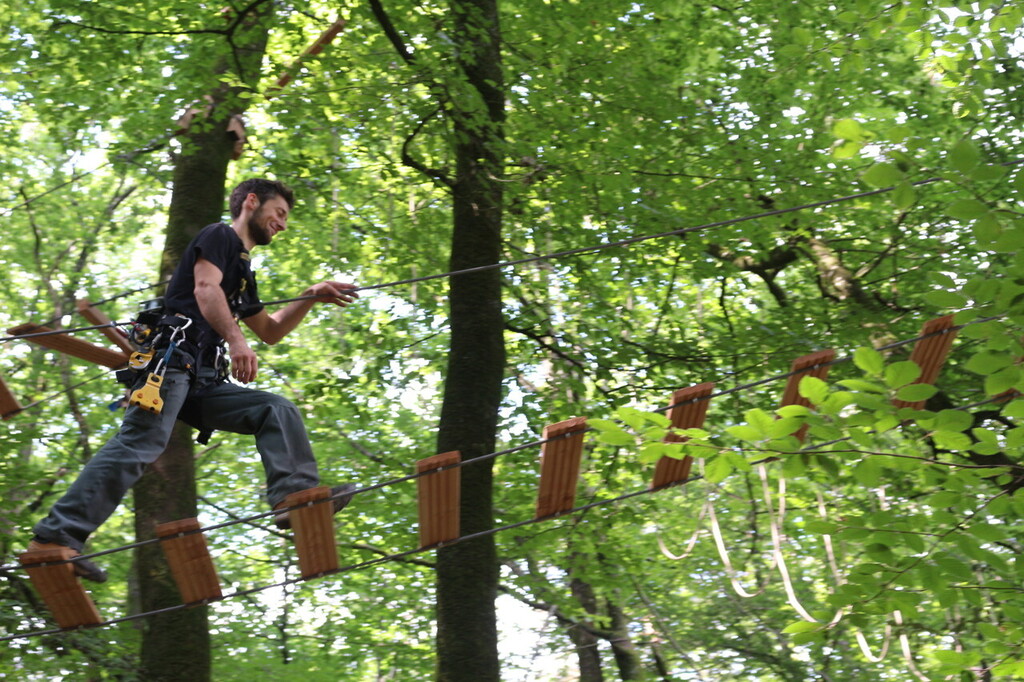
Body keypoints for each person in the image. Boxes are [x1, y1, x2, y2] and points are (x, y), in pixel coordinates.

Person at [27, 178, 358, 582]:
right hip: (172, 363)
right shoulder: (218, 235)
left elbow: (269, 331)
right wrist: (236, 342)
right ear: (251, 202)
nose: (283, 224)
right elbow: (205, 289)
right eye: (280, 213)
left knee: (274, 408)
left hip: (201, 381)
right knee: (141, 442)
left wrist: (309, 295)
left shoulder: (242, 272)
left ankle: (294, 499)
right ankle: (55, 537)